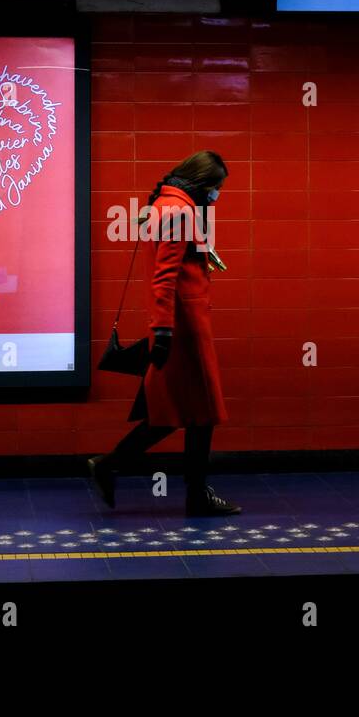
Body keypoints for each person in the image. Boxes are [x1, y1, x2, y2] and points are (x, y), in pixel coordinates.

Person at [88, 151, 241, 516]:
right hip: (184, 328)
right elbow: (164, 276)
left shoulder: (170, 205)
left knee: (181, 412)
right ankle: (116, 467)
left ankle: (121, 468)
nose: (217, 194)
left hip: (182, 325)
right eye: (217, 187)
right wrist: (164, 332)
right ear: (203, 183)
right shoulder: (178, 211)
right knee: (194, 412)